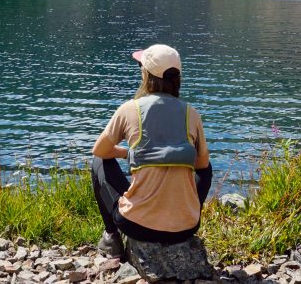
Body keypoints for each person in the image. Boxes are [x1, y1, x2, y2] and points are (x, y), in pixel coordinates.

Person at [90, 44, 213, 258]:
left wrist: (127, 153)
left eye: (141, 67)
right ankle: (186, 211)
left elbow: (100, 149)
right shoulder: (191, 114)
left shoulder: (130, 109)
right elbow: (202, 166)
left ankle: (112, 238)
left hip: (137, 225)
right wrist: (173, 157)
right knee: (207, 167)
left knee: (99, 161)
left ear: (147, 75)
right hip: (186, 228)